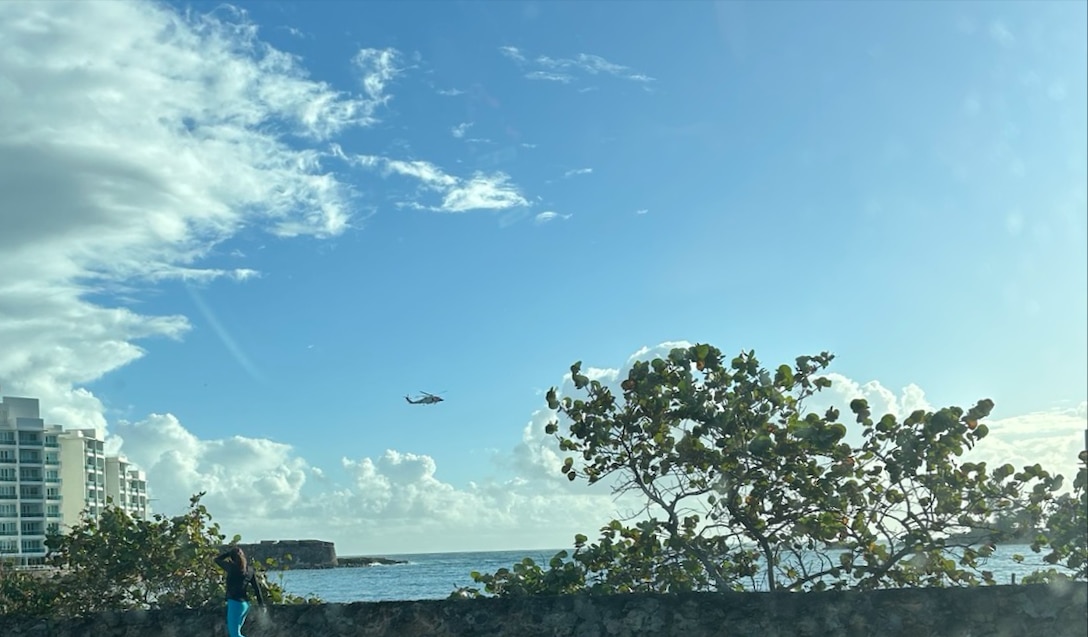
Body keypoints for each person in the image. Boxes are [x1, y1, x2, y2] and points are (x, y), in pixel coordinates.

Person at [214, 546, 265, 637]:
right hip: (245, 605)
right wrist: (261, 605)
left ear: (232, 558)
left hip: (234, 604)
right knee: (237, 633)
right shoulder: (250, 570)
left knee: (235, 635)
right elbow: (257, 589)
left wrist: (228, 553)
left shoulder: (231, 568)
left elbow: (217, 560)